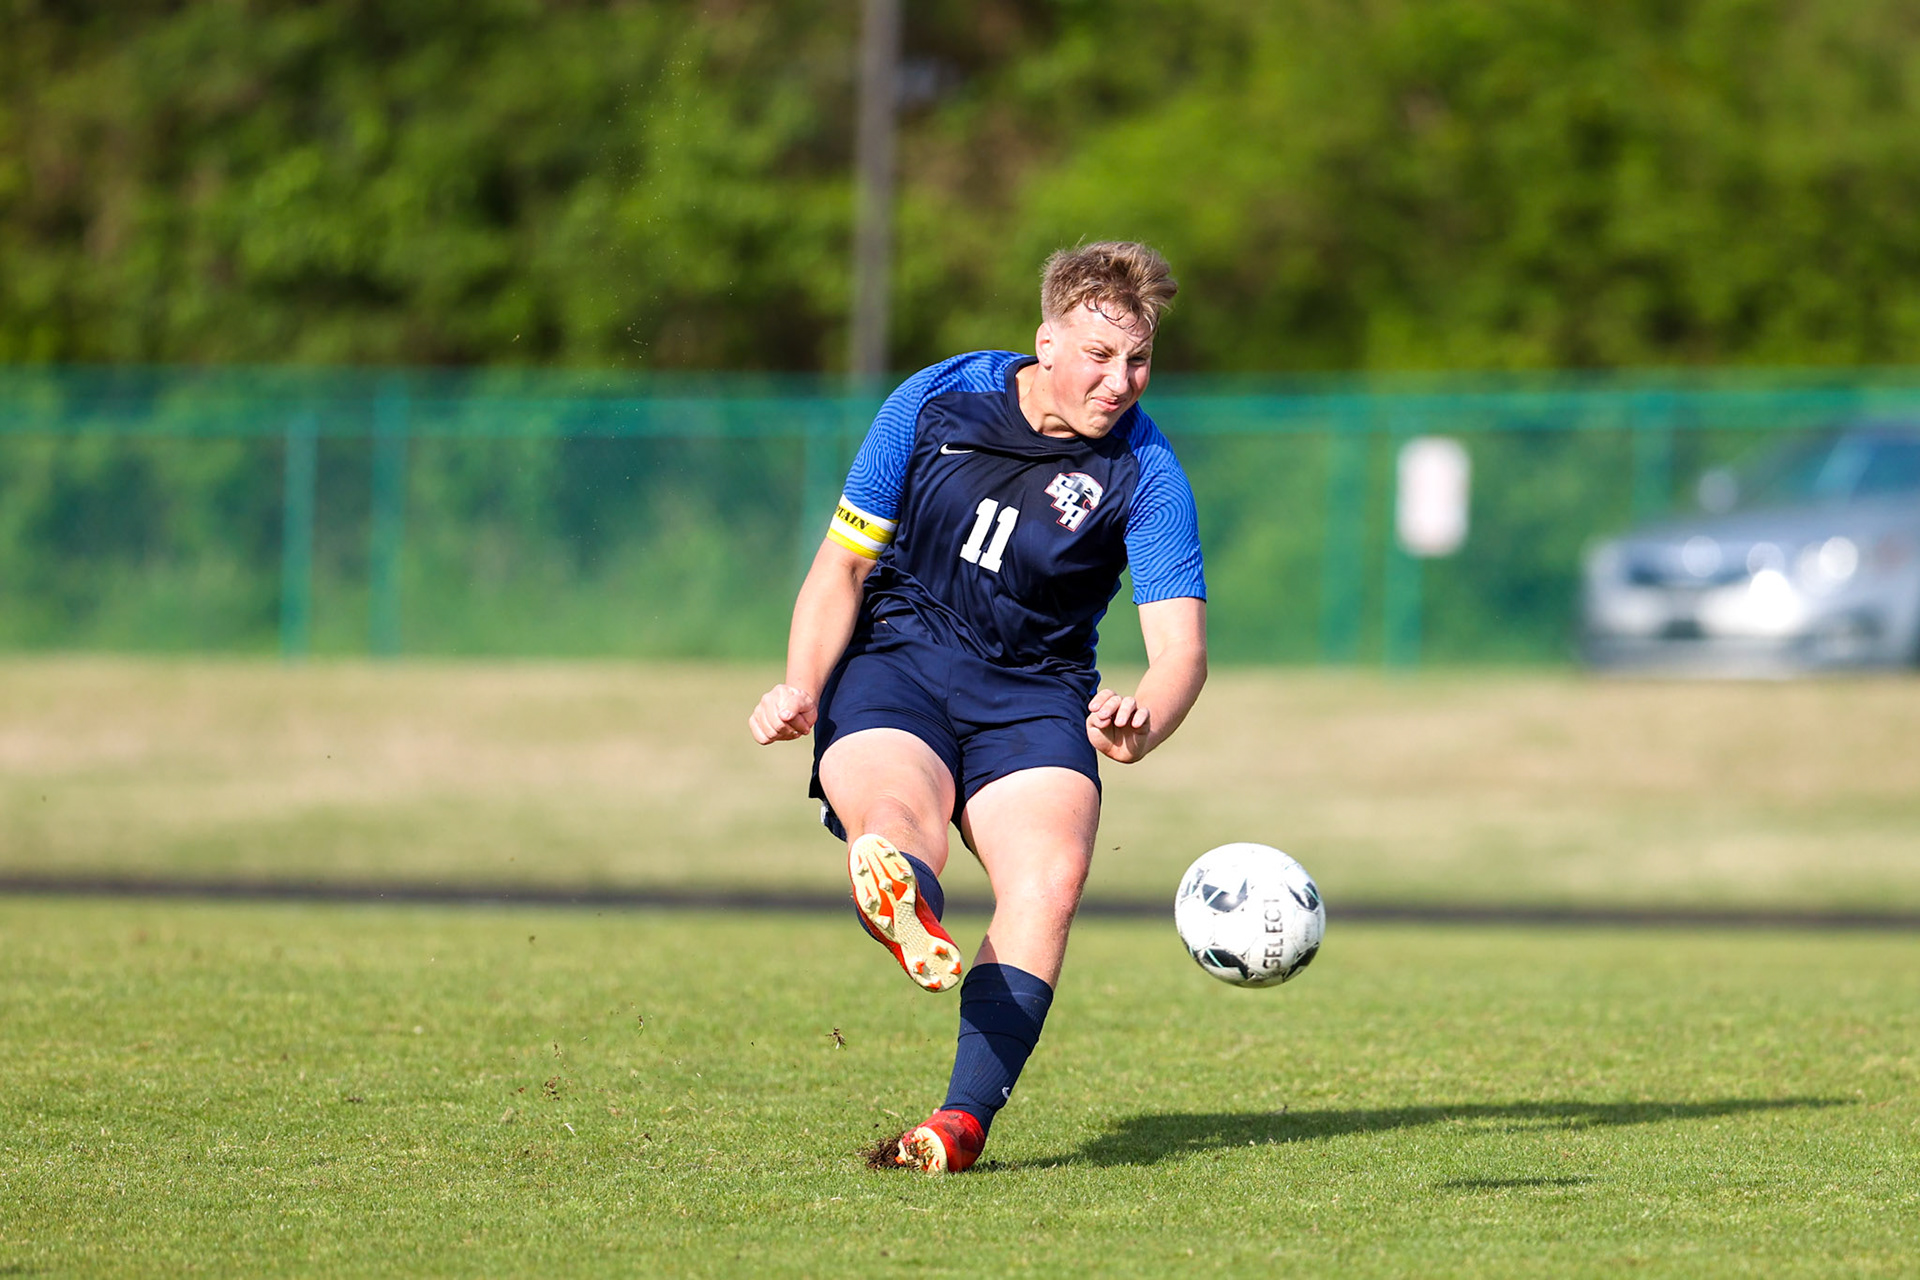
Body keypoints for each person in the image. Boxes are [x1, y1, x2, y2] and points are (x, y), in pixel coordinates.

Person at [748, 241, 1208, 1174]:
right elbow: (842, 565)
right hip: (897, 662)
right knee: (893, 815)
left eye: (1138, 360)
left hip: (1037, 695)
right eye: (1097, 355)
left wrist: (1141, 722)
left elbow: (1181, 653)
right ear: (1045, 341)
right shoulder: (937, 397)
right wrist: (801, 683)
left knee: (1051, 874)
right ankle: (905, 898)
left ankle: (958, 1126)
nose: (1120, 382)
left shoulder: (1147, 474)